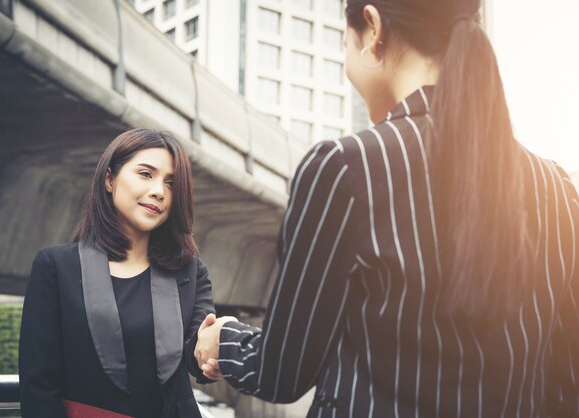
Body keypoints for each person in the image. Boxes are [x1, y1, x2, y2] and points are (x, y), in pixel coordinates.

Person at [195, 0, 579, 416]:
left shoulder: (345, 169)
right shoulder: (556, 190)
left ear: (373, 28)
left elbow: (282, 372)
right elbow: (566, 384)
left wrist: (226, 340)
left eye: (344, 44)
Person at [19, 128, 220, 418]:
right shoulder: (56, 267)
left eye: (171, 183)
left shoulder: (190, 271)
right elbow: (38, 386)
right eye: (145, 174)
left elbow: (195, 349)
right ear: (110, 179)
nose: (159, 191)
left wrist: (212, 351)